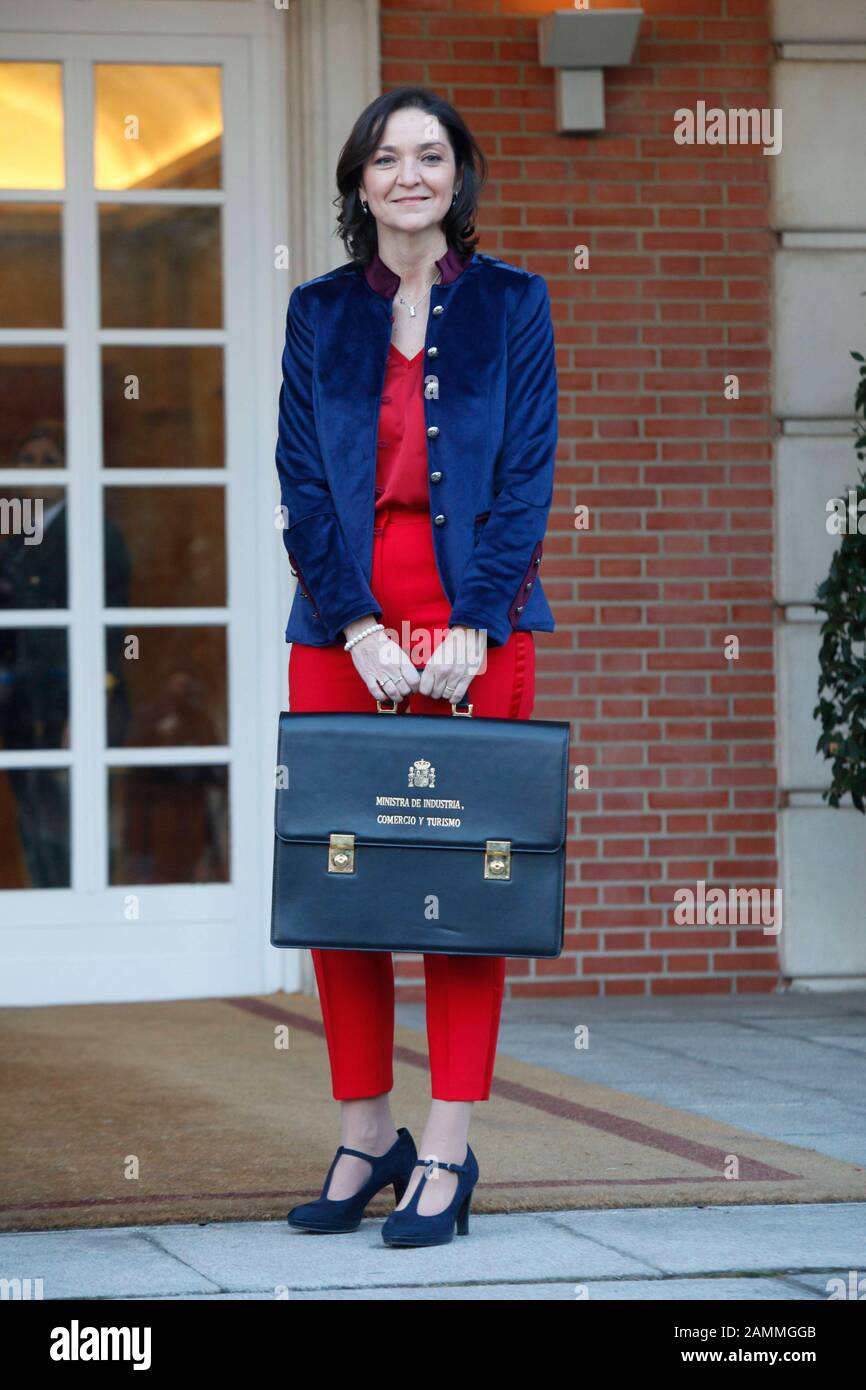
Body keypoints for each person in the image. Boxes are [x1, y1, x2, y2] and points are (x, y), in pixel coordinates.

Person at [275, 86, 558, 1247]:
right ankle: (363, 1134)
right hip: (344, 631)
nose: (407, 174)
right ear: (357, 183)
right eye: (385, 158)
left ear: (457, 177)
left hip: (476, 626)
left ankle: (444, 1148)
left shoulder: (515, 306)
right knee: (342, 890)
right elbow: (299, 481)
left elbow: (527, 473)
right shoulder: (317, 314)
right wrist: (355, 624)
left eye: (429, 155)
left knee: (466, 894)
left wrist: (474, 624)